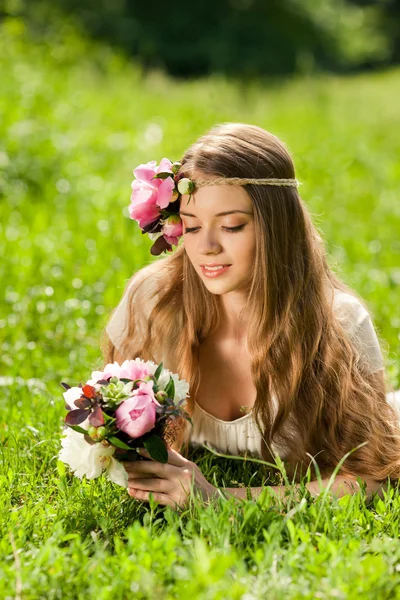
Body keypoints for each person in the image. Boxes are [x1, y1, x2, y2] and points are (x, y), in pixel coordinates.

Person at [102, 122, 400, 511]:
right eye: (191, 227)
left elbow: (373, 479)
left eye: (231, 226)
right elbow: (114, 427)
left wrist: (222, 499)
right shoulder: (155, 303)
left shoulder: (338, 324)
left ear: (276, 226)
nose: (206, 247)